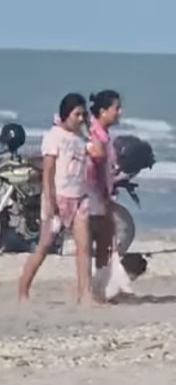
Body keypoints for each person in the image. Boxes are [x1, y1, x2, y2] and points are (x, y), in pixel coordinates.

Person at [17, 94, 96, 304]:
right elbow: (48, 170)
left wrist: (87, 130)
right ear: (65, 114)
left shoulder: (81, 138)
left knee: (84, 247)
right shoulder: (54, 136)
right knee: (44, 246)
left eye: (83, 114)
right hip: (58, 198)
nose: (80, 118)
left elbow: (96, 153)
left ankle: (85, 294)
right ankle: (23, 291)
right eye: (76, 114)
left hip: (79, 198)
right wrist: (50, 200)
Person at [85, 89, 122, 275]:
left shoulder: (103, 133)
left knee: (105, 242)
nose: (120, 112)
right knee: (93, 243)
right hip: (91, 196)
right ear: (103, 111)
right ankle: (88, 289)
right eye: (117, 108)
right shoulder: (92, 132)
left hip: (101, 195)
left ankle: (100, 285)